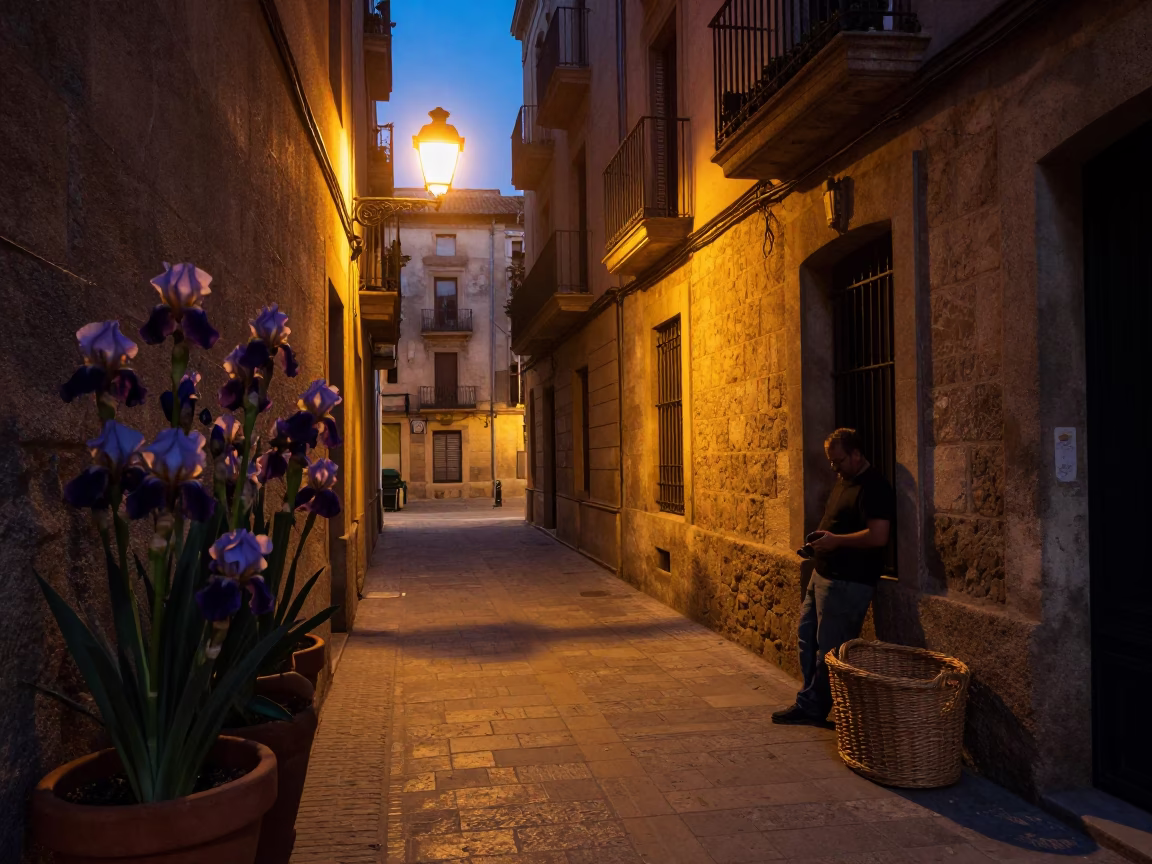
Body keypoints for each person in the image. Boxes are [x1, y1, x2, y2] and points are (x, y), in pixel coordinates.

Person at [772, 428, 895, 726]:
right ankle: (811, 699)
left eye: (838, 460)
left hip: (847, 581)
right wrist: (819, 543)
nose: (833, 467)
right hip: (823, 574)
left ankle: (813, 707)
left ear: (856, 454)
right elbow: (838, 523)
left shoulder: (874, 486)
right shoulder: (845, 480)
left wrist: (836, 541)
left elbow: (878, 536)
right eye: (831, 461)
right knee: (807, 640)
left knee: (829, 648)